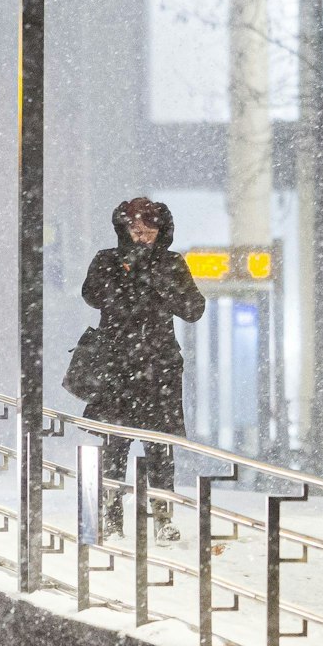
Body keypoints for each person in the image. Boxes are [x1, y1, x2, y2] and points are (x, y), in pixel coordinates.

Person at [81, 198, 204, 541]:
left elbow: (194, 308)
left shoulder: (171, 263)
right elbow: (91, 295)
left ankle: (163, 517)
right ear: (124, 229)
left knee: (160, 446)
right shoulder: (107, 260)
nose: (143, 239)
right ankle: (110, 515)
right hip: (117, 365)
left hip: (158, 367)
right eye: (136, 232)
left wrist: (160, 281)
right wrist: (125, 274)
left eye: (150, 233)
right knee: (114, 443)